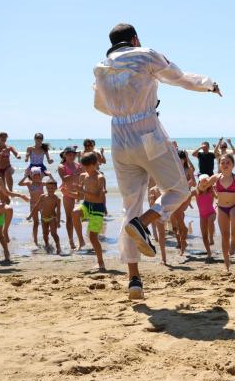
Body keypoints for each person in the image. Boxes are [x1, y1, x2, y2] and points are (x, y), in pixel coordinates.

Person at [93, 23, 221, 299]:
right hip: (147, 132)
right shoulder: (145, 54)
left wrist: (124, 107)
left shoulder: (101, 68)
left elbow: (100, 106)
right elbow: (179, 77)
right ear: (135, 39)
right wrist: (208, 85)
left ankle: (134, 281)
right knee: (178, 189)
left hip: (118, 137)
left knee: (130, 207)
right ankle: (146, 222)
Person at [205, 154, 235, 271]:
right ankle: (226, 264)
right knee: (224, 235)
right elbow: (203, 186)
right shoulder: (215, 177)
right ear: (219, 165)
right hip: (222, 208)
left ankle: (233, 243)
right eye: (222, 162)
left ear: (232, 165)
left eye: (228, 162)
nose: (225, 164)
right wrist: (202, 183)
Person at [70, 152, 107, 271]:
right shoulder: (83, 176)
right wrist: (68, 193)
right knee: (75, 212)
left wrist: (81, 191)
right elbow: (78, 195)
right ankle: (81, 240)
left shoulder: (100, 177)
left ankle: (101, 262)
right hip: (86, 204)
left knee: (93, 238)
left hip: (97, 208)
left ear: (95, 164)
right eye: (83, 166)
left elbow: (98, 197)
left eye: (87, 166)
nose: (85, 168)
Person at [26, 177, 62, 254]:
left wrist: (58, 221)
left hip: (52, 218)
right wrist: (30, 215)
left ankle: (58, 246)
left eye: (52, 188)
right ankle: (47, 245)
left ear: (56, 188)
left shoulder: (57, 199)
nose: (50, 189)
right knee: (45, 234)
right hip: (43, 218)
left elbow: (58, 211)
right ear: (46, 188)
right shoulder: (43, 196)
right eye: (48, 188)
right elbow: (36, 206)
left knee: (53, 233)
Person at [58, 146, 83, 250]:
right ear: (65, 155)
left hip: (78, 194)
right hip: (67, 193)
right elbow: (64, 179)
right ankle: (71, 241)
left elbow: (82, 178)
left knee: (78, 217)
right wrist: (75, 173)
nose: (71, 156)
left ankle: (81, 241)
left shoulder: (79, 165)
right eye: (69, 154)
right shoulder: (61, 166)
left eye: (73, 154)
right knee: (69, 218)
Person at [19, 167, 45, 246]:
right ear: (31, 176)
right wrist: (26, 176)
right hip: (33, 205)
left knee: (44, 221)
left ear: (40, 176)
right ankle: (35, 240)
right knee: (36, 223)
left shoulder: (42, 183)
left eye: (38, 176)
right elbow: (19, 184)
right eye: (34, 176)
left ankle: (45, 237)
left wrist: (50, 176)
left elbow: (54, 184)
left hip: (42, 205)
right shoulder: (29, 183)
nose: (36, 177)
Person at [192, 174, 216, 259]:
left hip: (212, 212)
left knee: (210, 220)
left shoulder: (211, 191)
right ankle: (209, 253)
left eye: (206, 184)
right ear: (198, 183)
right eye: (202, 183)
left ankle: (211, 237)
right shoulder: (196, 191)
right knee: (204, 235)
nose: (204, 185)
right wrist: (187, 204)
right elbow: (186, 197)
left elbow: (219, 197)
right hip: (202, 216)